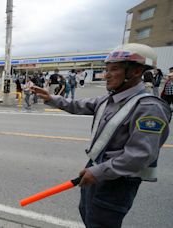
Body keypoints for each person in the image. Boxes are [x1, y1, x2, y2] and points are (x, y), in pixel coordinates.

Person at [31, 43, 171, 228]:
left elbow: (140, 155)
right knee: (89, 215)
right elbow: (78, 105)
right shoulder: (109, 98)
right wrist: (51, 98)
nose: (107, 74)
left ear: (136, 72)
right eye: (107, 69)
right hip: (96, 170)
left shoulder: (149, 107)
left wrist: (97, 172)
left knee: (101, 222)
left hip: (117, 180)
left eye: (114, 69)